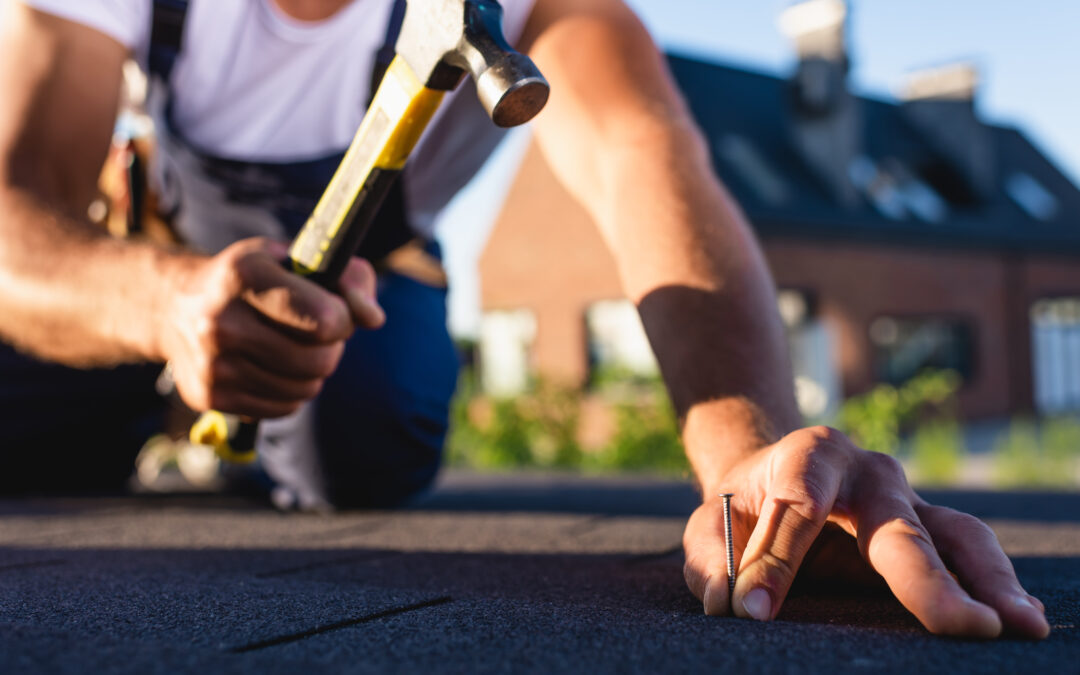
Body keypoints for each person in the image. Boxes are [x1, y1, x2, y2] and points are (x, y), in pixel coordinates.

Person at [0, 0, 1049, 639]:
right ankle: (156, 409)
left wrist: (756, 463)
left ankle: (227, 429)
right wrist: (166, 304)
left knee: (362, 431)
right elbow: (18, 207)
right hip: (142, 261)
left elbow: (647, 155)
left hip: (361, 275)